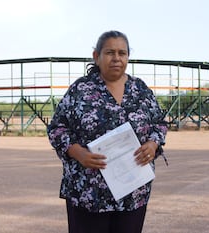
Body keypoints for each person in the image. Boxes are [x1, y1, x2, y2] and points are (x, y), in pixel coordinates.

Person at [47, 30, 168, 233]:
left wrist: (153, 144)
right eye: (110, 52)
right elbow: (57, 128)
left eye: (122, 53)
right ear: (97, 56)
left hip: (133, 192)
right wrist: (79, 153)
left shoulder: (141, 90)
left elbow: (160, 123)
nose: (116, 58)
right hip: (88, 191)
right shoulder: (80, 90)